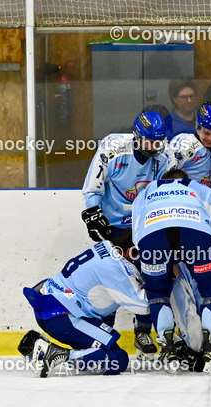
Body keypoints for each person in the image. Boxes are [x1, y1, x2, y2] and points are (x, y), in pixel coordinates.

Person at [130, 169, 211, 373]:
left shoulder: (145, 191)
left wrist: (164, 263)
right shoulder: (203, 190)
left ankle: (167, 350)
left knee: (158, 295)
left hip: (152, 235)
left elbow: (137, 233)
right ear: (186, 179)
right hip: (194, 231)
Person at [80, 110, 170, 359]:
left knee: (150, 275)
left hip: (145, 224)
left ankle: (143, 330)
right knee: (112, 280)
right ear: (136, 136)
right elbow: (92, 187)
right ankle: (103, 331)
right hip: (113, 226)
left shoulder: (165, 157)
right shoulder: (112, 147)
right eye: (149, 141)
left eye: (159, 141)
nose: (154, 147)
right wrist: (93, 214)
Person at [22, 233, 148, 378]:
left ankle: (44, 349)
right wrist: (163, 289)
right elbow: (142, 306)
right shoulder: (115, 268)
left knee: (105, 346)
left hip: (54, 309)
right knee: (117, 360)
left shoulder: (107, 247)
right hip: (62, 317)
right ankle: (58, 355)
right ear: (130, 251)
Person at [165, 102, 211, 188]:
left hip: (209, 197)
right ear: (197, 127)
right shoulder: (185, 142)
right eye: (206, 133)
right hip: (185, 197)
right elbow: (166, 174)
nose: (210, 138)